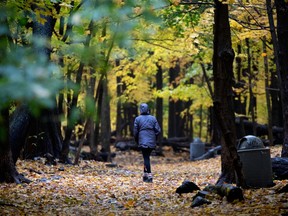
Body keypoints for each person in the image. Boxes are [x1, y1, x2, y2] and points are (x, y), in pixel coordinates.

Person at [133, 103, 161, 183]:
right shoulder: (153, 118)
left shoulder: (138, 119)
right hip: (151, 140)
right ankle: (145, 174)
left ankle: (149, 175)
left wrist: (137, 140)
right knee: (146, 157)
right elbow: (158, 130)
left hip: (142, 140)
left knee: (146, 157)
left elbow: (135, 132)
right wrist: (154, 138)